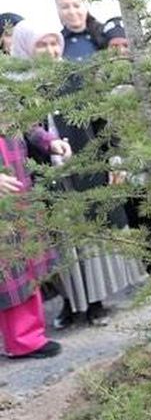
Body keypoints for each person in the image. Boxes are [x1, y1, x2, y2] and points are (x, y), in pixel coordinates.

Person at [43, 0, 145, 328]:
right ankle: (72, 304)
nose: (49, 50)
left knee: (92, 234)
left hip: (86, 164)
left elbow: (103, 121)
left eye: (53, 44)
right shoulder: (25, 86)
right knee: (62, 242)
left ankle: (97, 299)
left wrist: (115, 157)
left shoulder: (79, 72)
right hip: (48, 175)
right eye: (41, 45)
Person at [1, 23, 75, 359]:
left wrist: (52, 142)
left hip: (20, 186)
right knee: (8, 269)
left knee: (24, 262)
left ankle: (29, 338)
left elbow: (27, 124)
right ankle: (21, 341)